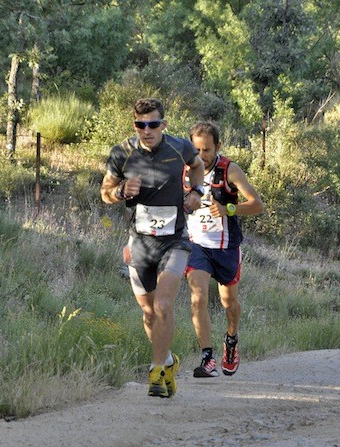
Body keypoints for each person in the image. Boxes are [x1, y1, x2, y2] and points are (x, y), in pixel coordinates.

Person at [100, 98, 205, 397]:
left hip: (175, 241)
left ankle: (157, 371)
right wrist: (121, 190)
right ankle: (168, 359)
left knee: (163, 305)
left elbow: (197, 167)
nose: (147, 130)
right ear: (135, 125)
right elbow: (105, 193)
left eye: (153, 124)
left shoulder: (179, 147)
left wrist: (196, 191)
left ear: (164, 124)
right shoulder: (122, 152)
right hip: (140, 243)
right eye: (140, 125)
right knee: (148, 313)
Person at [185, 121, 264, 377]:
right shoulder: (184, 171)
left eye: (206, 150)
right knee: (198, 298)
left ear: (217, 146)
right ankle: (207, 358)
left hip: (226, 246)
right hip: (198, 245)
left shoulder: (229, 170)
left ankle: (231, 340)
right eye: (196, 149)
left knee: (228, 303)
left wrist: (229, 208)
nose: (201, 155)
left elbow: (257, 205)